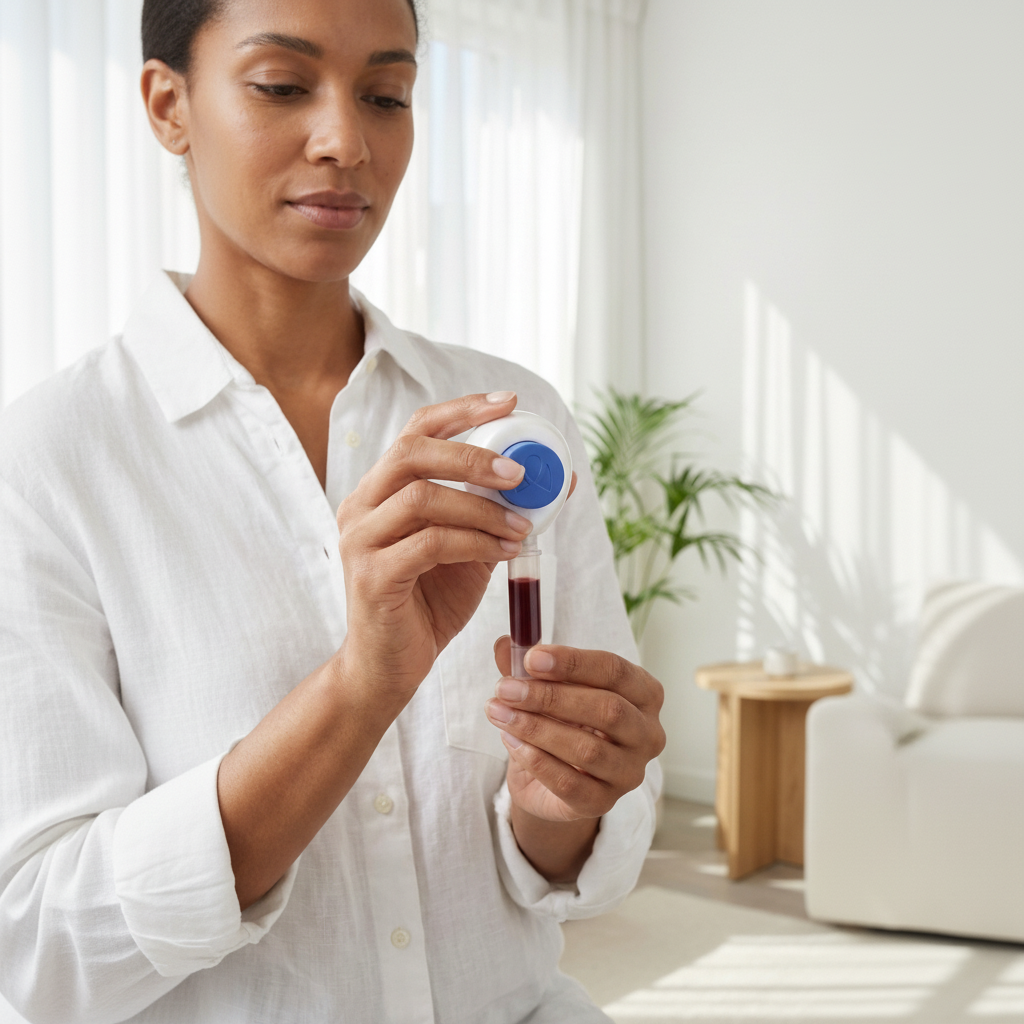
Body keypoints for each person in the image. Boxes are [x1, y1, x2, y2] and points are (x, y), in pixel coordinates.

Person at [0, 0, 665, 1020]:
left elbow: (574, 868)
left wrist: (560, 804)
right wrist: (359, 688)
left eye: (386, 95)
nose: (345, 141)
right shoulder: (49, 461)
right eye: (280, 85)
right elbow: (37, 947)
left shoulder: (512, 422)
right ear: (167, 104)